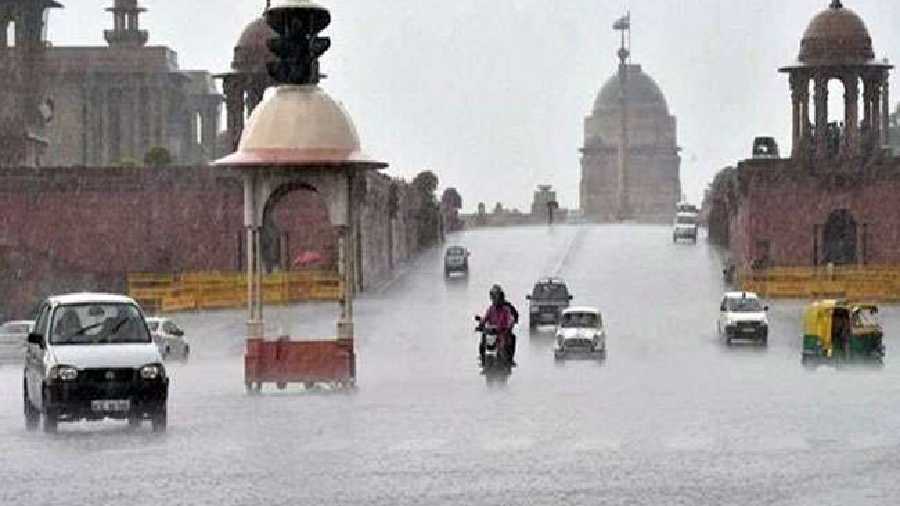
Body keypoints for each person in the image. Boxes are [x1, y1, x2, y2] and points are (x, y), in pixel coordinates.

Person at [478, 284, 517, 366]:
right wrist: (481, 324)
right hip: (491, 334)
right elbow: (485, 318)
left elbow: (511, 319)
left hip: (502, 334)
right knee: (482, 340)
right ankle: (482, 358)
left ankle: (510, 359)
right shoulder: (491, 309)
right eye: (492, 297)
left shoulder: (506, 310)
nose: (494, 299)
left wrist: (509, 325)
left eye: (496, 296)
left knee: (511, 338)